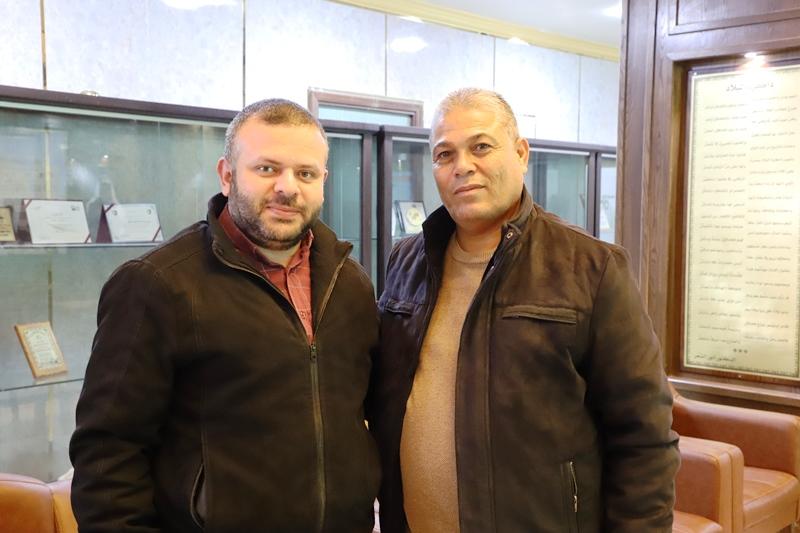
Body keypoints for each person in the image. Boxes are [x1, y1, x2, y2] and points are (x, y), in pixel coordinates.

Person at [369, 88, 679, 532]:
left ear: (521, 153)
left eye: (481, 146)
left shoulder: (591, 268)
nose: (462, 166)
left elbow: (644, 436)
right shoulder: (406, 261)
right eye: (444, 154)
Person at [70, 99, 381, 532]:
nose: (287, 187)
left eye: (305, 173)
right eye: (267, 169)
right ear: (227, 174)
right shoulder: (157, 284)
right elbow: (108, 453)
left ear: (323, 182)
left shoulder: (350, 283)